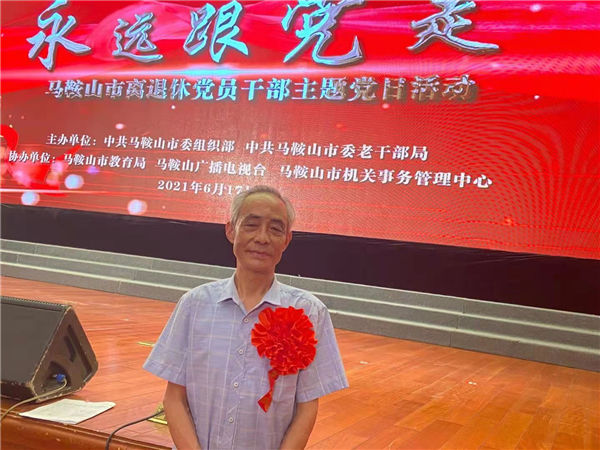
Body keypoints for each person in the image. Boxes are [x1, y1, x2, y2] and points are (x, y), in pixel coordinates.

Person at [143, 185, 348, 449]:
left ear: (287, 240)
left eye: (275, 229)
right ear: (231, 230)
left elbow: (307, 407)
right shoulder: (195, 304)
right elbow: (174, 398)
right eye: (251, 225)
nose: (262, 238)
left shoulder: (309, 313)